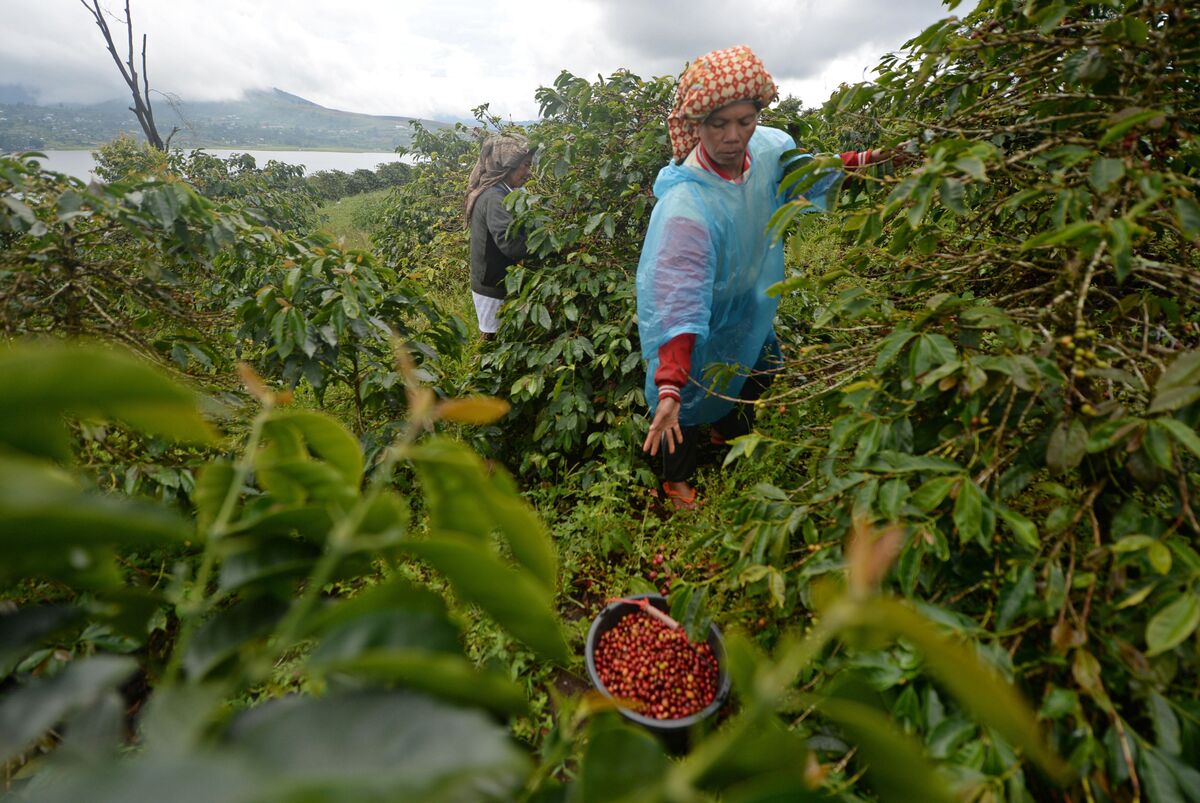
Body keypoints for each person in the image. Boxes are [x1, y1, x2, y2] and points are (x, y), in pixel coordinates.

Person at [637, 45, 898, 509]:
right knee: (688, 397)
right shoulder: (686, 209)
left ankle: (727, 431)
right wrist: (670, 383)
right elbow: (679, 303)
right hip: (704, 315)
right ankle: (675, 483)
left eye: (745, 120)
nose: (734, 136)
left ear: (758, 115)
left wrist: (869, 160)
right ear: (697, 126)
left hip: (748, 302)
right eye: (719, 124)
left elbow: (808, 173)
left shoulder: (768, 149)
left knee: (760, 369)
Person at [465, 133, 535, 339]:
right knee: (493, 342)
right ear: (507, 165)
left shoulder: (501, 191)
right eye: (525, 165)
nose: (528, 173)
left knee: (495, 339)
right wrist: (546, 246)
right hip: (492, 285)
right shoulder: (494, 197)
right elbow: (510, 244)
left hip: (492, 280)